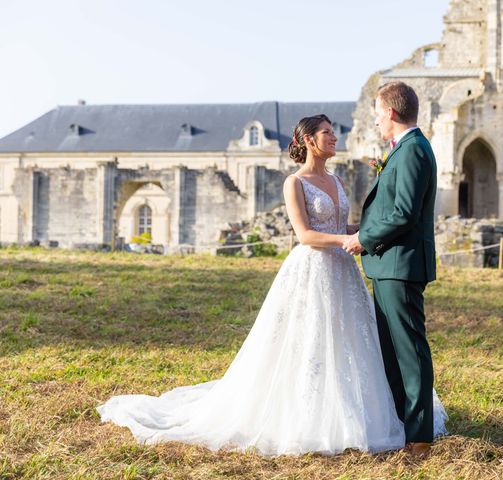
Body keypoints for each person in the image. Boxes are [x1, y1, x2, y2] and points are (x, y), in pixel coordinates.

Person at [97, 114, 446, 456]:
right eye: (327, 133)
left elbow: (345, 223)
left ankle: (360, 408)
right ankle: (308, 414)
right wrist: (347, 240)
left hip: (343, 269)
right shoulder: (294, 182)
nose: (333, 137)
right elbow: (305, 234)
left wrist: (362, 234)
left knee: (351, 340)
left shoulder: (337, 181)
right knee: (307, 341)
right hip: (313, 267)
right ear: (309, 140)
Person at [343, 81, 439, 455]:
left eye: (379, 113)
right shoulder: (402, 150)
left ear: (392, 113)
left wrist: (363, 240)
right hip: (389, 264)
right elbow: (392, 209)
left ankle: (419, 438)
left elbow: (404, 213)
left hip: (400, 266)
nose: (377, 120)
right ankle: (403, 427)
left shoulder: (413, 151)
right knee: (393, 351)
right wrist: (360, 228)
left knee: (409, 352)